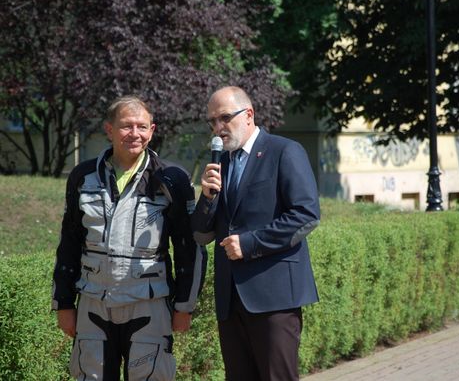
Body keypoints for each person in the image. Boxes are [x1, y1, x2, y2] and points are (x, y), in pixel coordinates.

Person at [52, 95, 206, 380]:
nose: (134, 134)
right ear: (109, 130)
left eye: (142, 126)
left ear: (152, 130)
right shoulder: (83, 176)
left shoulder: (172, 179)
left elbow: (189, 246)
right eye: (126, 126)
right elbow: (69, 243)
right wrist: (63, 303)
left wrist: (185, 306)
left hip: (149, 304)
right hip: (93, 303)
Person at [192, 86, 320, 381]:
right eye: (212, 121)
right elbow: (200, 235)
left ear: (248, 114)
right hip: (230, 298)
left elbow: (306, 215)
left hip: (274, 297)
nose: (217, 128)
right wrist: (208, 197)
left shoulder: (284, 151)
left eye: (224, 118)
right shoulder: (219, 163)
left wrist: (249, 244)